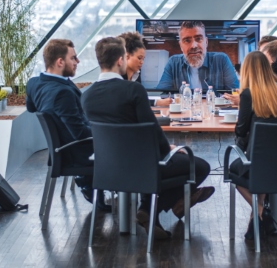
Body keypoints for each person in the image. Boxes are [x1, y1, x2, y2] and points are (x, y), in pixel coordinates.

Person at [81, 37, 215, 240]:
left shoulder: (86, 95)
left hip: (106, 167)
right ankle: (152, 208)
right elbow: (151, 130)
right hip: (142, 166)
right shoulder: (133, 90)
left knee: (170, 164)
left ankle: (162, 206)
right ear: (120, 60)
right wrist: (169, 150)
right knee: (200, 166)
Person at [26, 39, 111, 212]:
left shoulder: (34, 84)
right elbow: (79, 134)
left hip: (61, 148)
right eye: (73, 58)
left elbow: (31, 107)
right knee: (127, 146)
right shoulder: (62, 92)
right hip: (74, 152)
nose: (77, 62)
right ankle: (127, 197)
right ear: (59, 62)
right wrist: (106, 133)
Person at [228, 51, 277, 240]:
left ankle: (262, 211)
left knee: (234, 171)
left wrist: (241, 109)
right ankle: (255, 222)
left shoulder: (248, 94)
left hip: (259, 161)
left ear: (247, 71)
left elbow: (240, 131)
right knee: (259, 165)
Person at [156, 21, 239, 92]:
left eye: (198, 39)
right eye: (187, 40)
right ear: (181, 45)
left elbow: (235, 93)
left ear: (206, 42)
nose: (194, 46)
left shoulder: (221, 60)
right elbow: (161, 94)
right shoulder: (173, 63)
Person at [117, 31, 171, 106]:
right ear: (127, 56)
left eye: (143, 59)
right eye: (139, 58)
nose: (142, 62)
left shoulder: (136, 75)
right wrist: (157, 102)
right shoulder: (117, 78)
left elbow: (139, 99)